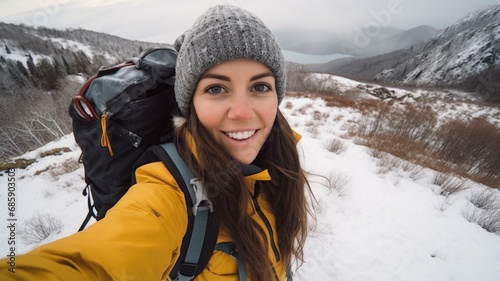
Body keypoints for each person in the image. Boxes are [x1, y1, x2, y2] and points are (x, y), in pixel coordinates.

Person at [0, 5, 313, 281]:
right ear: (190, 103)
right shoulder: (169, 193)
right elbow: (99, 260)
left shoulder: (279, 160)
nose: (243, 112)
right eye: (217, 89)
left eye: (260, 86)